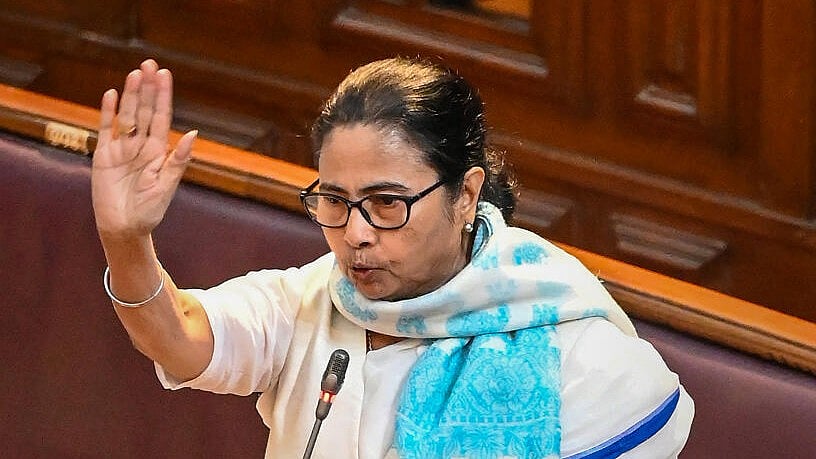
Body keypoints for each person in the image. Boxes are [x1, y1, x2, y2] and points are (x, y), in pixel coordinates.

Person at [92, 57, 694, 458]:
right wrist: (126, 239)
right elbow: (180, 335)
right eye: (334, 201)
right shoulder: (310, 302)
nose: (355, 233)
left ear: (465, 194)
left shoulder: (573, 350)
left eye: (386, 203)